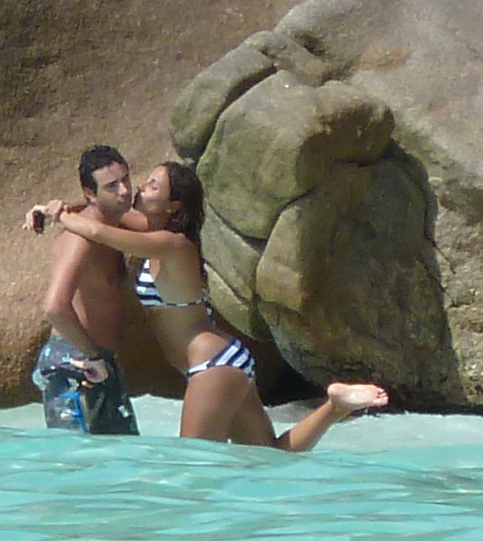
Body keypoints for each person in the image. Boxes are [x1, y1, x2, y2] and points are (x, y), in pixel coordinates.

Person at [31, 157, 389, 451]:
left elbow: (96, 231)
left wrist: (58, 216)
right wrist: (57, 207)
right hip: (224, 360)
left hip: (212, 365)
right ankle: (335, 407)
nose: (137, 188)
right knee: (271, 455)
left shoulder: (172, 244)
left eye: (152, 186)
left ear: (172, 206)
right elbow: (102, 214)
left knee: (192, 467)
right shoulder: (146, 227)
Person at [24, 145, 154, 433]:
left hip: (100, 361)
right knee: (79, 466)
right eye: (111, 186)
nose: (124, 191)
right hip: (76, 362)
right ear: (91, 193)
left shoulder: (111, 222)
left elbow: (154, 225)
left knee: (121, 462)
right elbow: (55, 307)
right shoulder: (80, 240)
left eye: (125, 180)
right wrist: (91, 356)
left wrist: (55, 208)